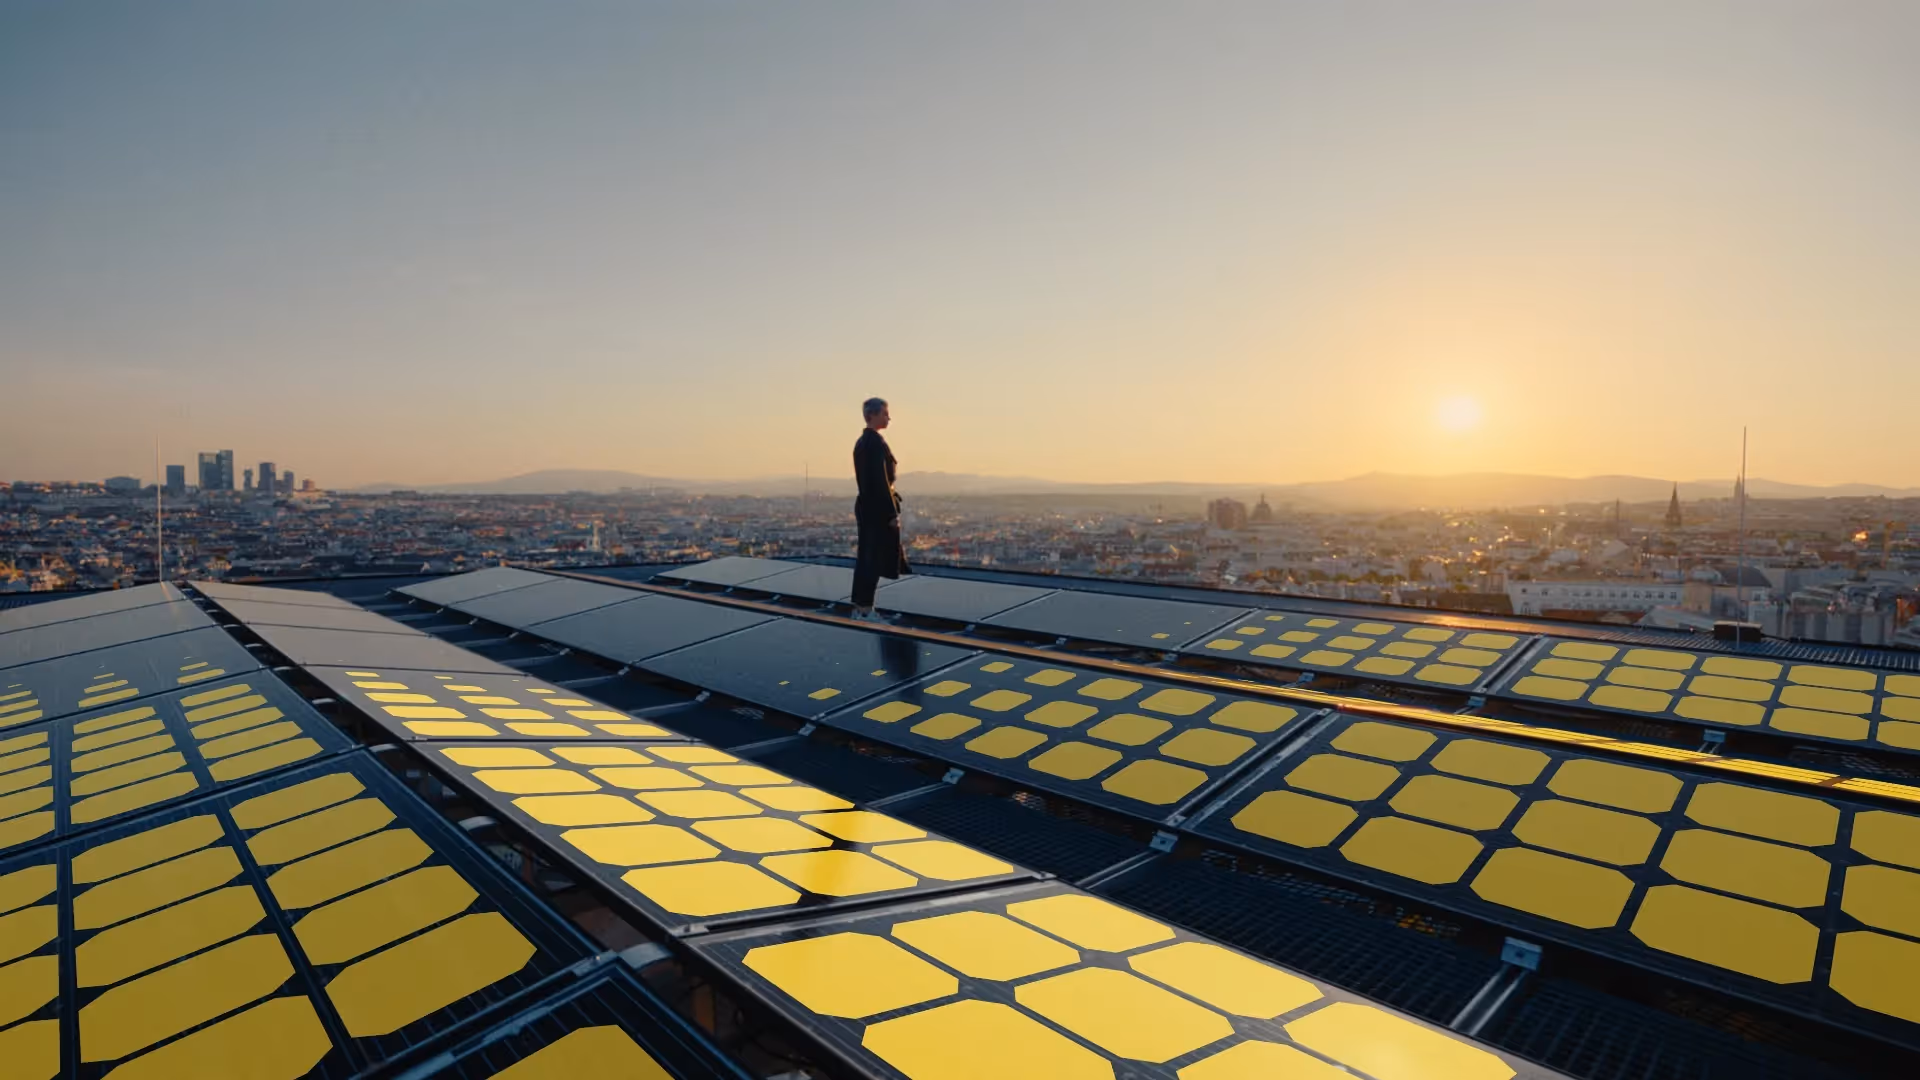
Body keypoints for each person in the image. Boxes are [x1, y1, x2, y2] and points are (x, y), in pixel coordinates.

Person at [851, 396, 909, 618]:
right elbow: (880, 480)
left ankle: (862, 606)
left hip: (869, 506)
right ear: (872, 415)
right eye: (885, 413)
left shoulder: (863, 441)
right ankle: (865, 609)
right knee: (872, 557)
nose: (889, 417)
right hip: (877, 507)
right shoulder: (874, 442)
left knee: (868, 555)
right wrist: (891, 513)